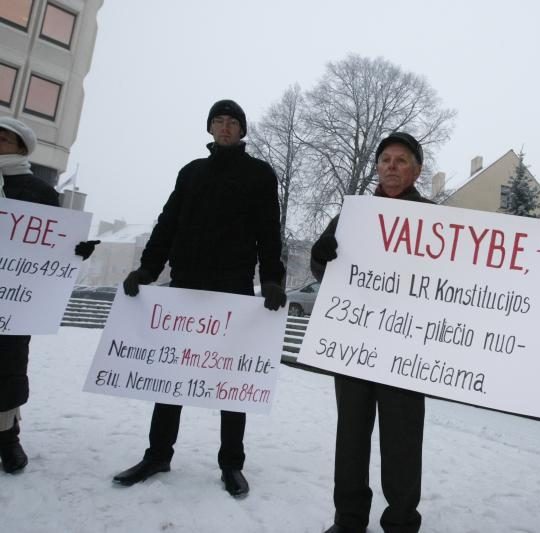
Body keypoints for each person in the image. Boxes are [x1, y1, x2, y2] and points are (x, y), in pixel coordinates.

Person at [111, 100, 286, 497]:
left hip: (232, 290)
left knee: (232, 379)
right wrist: (148, 269)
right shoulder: (191, 173)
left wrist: (272, 278)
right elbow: (167, 223)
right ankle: (158, 453)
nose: (225, 128)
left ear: (243, 130)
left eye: (233, 122)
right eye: (218, 121)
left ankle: (231, 464)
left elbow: (268, 231)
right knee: (171, 376)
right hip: (186, 286)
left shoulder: (259, 174)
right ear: (209, 128)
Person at [310, 132, 434, 533]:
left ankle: (400, 520)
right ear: (376, 167)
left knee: (402, 441)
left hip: (405, 349)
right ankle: (349, 518)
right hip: (354, 344)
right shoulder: (354, 214)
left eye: (401, 161)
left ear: (415, 170)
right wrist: (320, 254)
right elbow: (322, 270)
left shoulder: (436, 220)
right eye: (385, 160)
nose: (391, 167)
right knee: (351, 438)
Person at [0, 117, 98, 474]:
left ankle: (7, 438)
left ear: (22, 147)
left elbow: (54, 242)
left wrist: (77, 249)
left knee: (8, 369)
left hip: (13, 302)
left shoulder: (38, 192)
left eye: (5, 138)